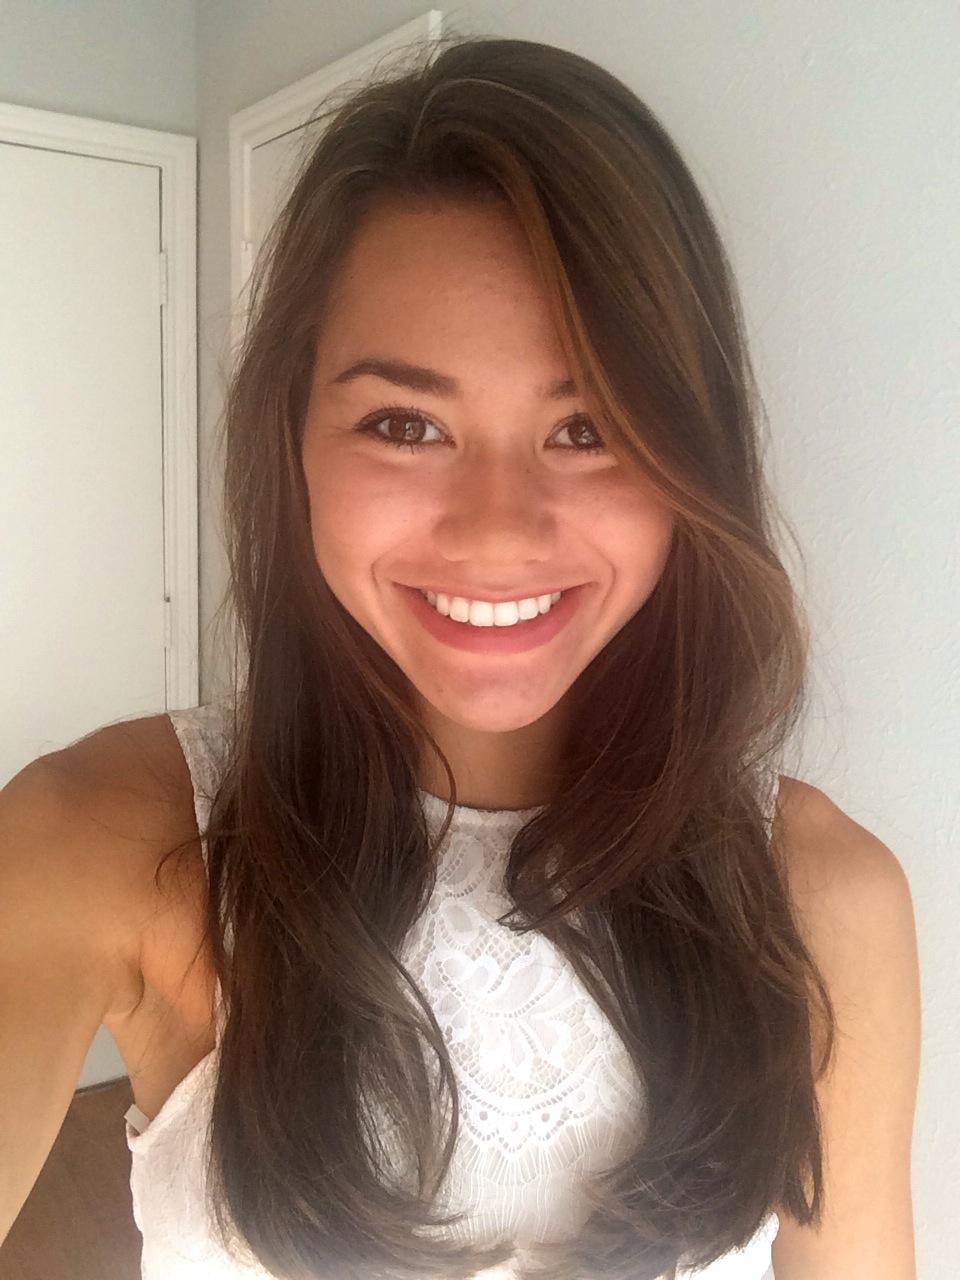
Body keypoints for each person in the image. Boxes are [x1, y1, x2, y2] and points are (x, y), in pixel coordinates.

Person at [0, 32, 920, 1280]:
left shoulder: (821, 898)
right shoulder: (111, 841)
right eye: (405, 423)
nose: (497, 530)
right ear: (292, 440)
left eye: (588, 427)